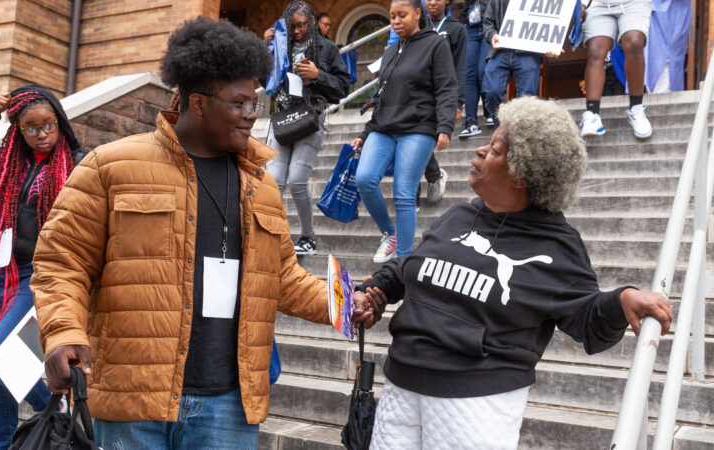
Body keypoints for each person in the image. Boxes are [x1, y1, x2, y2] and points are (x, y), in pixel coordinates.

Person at [30, 17, 331, 449]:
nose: (252, 114)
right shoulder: (109, 166)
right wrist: (62, 333)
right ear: (198, 103)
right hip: (135, 402)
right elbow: (61, 262)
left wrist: (343, 303)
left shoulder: (261, 184)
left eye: (256, 102)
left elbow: (283, 277)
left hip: (230, 405)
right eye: (240, 103)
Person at [352, 97, 674, 449]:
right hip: (400, 385)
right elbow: (409, 268)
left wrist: (621, 299)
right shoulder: (459, 216)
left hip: (474, 405)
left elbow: (586, 317)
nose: (479, 151)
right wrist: (374, 292)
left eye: (495, 149)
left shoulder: (556, 245)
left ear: (521, 175)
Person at [0, 85, 84, 450]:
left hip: (42, 278)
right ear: (18, 131)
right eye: (32, 128)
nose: (42, 135)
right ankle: (7, 445)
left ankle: (61, 423)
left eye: (49, 125)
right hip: (4, 274)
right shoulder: (9, 162)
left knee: (2, 361)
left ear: (60, 122)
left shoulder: (78, 163)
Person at [352, 0, 458, 264]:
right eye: (392, 16)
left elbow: (446, 88)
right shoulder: (389, 52)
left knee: (403, 192)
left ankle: (403, 262)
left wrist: (445, 126)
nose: (396, 21)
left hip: (418, 128)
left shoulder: (435, 44)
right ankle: (391, 234)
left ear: (417, 13)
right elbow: (381, 97)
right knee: (364, 179)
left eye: (402, 15)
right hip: (384, 127)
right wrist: (365, 134)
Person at [262, 1, 350, 256]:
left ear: (311, 21)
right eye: (292, 27)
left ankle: (307, 237)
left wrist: (318, 75)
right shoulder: (281, 46)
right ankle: (274, 235)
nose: (298, 31)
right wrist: (265, 49)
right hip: (283, 118)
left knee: (298, 180)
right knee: (274, 182)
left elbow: (344, 87)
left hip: (310, 119)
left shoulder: (327, 48)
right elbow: (264, 81)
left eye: (302, 25)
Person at [579, 0, 654, 138]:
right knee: (595, 51)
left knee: (634, 42)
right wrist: (581, 4)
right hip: (598, 4)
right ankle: (592, 114)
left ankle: (636, 109)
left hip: (634, 3)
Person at [417, 0, 467, 205]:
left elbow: (461, 67)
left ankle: (434, 175)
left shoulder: (456, 29)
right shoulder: (420, 26)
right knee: (416, 137)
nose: (432, 2)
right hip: (419, 93)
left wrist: (458, 103)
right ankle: (415, 195)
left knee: (421, 140)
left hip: (443, 94)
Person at [481, 0, 558, 127]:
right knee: (490, 91)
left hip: (529, 53)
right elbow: (488, 23)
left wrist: (552, 44)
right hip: (501, 50)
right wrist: (492, 35)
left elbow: (553, 20)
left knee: (526, 101)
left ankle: (516, 134)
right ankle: (503, 128)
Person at [459, 0, 493, 136]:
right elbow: (464, 11)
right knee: (469, 74)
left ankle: (489, 110)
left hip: (490, 27)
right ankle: (471, 121)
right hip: (471, 30)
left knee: (483, 71)